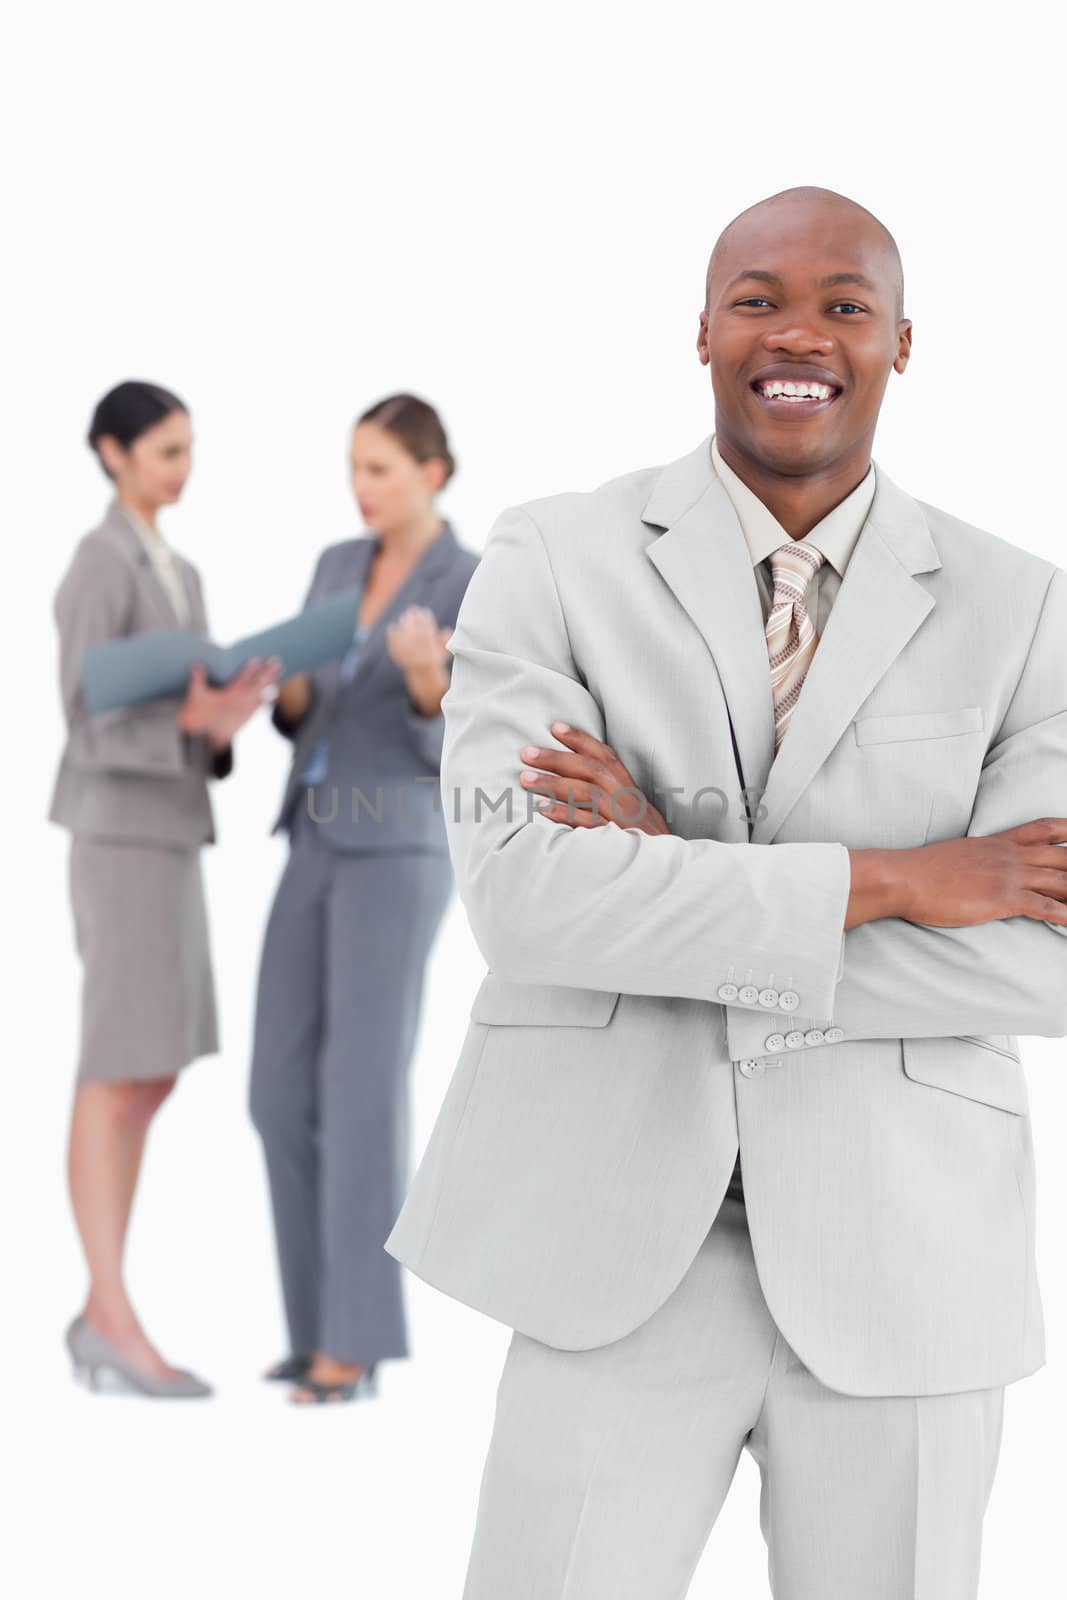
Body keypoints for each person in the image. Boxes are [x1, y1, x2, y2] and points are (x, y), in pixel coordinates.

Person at [385, 188, 1067, 1597]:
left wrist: (669, 878)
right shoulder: (551, 556)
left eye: (842, 304)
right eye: (755, 298)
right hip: (608, 1249)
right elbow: (522, 903)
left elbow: (1039, 961)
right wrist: (899, 881)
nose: (796, 333)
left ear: (900, 342)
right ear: (699, 330)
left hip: (907, 1263)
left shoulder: (1024, 609)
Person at [51, 380, 280, 1398]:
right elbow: (85, 716)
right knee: (116, 1067)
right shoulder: (98, 564)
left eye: (188, 450)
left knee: (153, 1068)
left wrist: (219, 725)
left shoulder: (178, 569)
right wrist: (189, 728)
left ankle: (106, 1304)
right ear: (112, 452)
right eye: (161, 452)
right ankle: (109, 1313)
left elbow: (182, 714)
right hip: (117, 836)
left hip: (173, 833)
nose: (179, 468)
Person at [250, 394, 479, 1405]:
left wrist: (433, 683)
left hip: (396, 843)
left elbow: (468, 730)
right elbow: (307, 709)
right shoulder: (335, 567)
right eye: (354, 467)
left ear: (432, 472)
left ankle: (355, 1343)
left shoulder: (469, 580)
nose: (362, 487)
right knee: (274, 1088)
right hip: (311, 830)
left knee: (359, 1088)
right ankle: (311, 1329)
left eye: (380, 468)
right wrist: (284, 689)